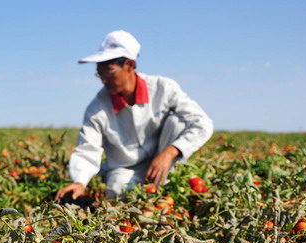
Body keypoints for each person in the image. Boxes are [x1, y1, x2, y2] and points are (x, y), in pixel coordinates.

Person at [56, 30, 213, 200]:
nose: (103, 79)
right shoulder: (98, 108)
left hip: (165, 160)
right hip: (126, 169)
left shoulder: (163, 88)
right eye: (99, 73)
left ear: (130, 65)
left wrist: (170, 152)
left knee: (178, 122)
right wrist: (80, 181)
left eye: (108, 71)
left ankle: (168, 183)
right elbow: (88, 148)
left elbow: (203, 123)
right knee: (117, 190)